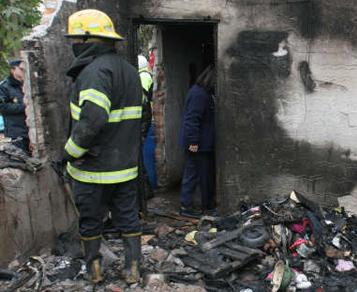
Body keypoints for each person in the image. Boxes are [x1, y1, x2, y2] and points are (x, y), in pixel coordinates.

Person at [63, 9, 143, 284]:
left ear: (88, 40)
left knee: (90, 220)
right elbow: (139, 119)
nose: (74, 44)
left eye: (76, 39)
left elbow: (92, 120)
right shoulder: (130, 72)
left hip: (92, 168)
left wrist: (69, 153)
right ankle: (133, 269)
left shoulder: (94, 72)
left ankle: (94, 271)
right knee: (128, 219)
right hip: (125, 167)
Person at [179, 65, 217, 218]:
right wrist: (193, 142)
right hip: (198, 144)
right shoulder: (199, 95)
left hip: (202, 143)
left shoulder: (201, 92)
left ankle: (203, 205)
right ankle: (186, 207)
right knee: (193, 174)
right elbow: (192, 120)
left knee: (200, 174)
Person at [0, 60, 29, 152]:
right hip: (16, 133)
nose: (24, 71)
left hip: (30, 131)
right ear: (13, 70)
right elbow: (3, 107)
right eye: (21, 69)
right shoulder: (4, 87)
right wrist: (25, 107)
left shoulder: (27, 85)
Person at [137, 55, 154, 214]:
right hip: (145, 121)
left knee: (138, 160)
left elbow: (142, 102)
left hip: (142, 122)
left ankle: (147, 191)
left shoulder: (142, 77)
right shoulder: (145, 75)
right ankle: (147, 190)